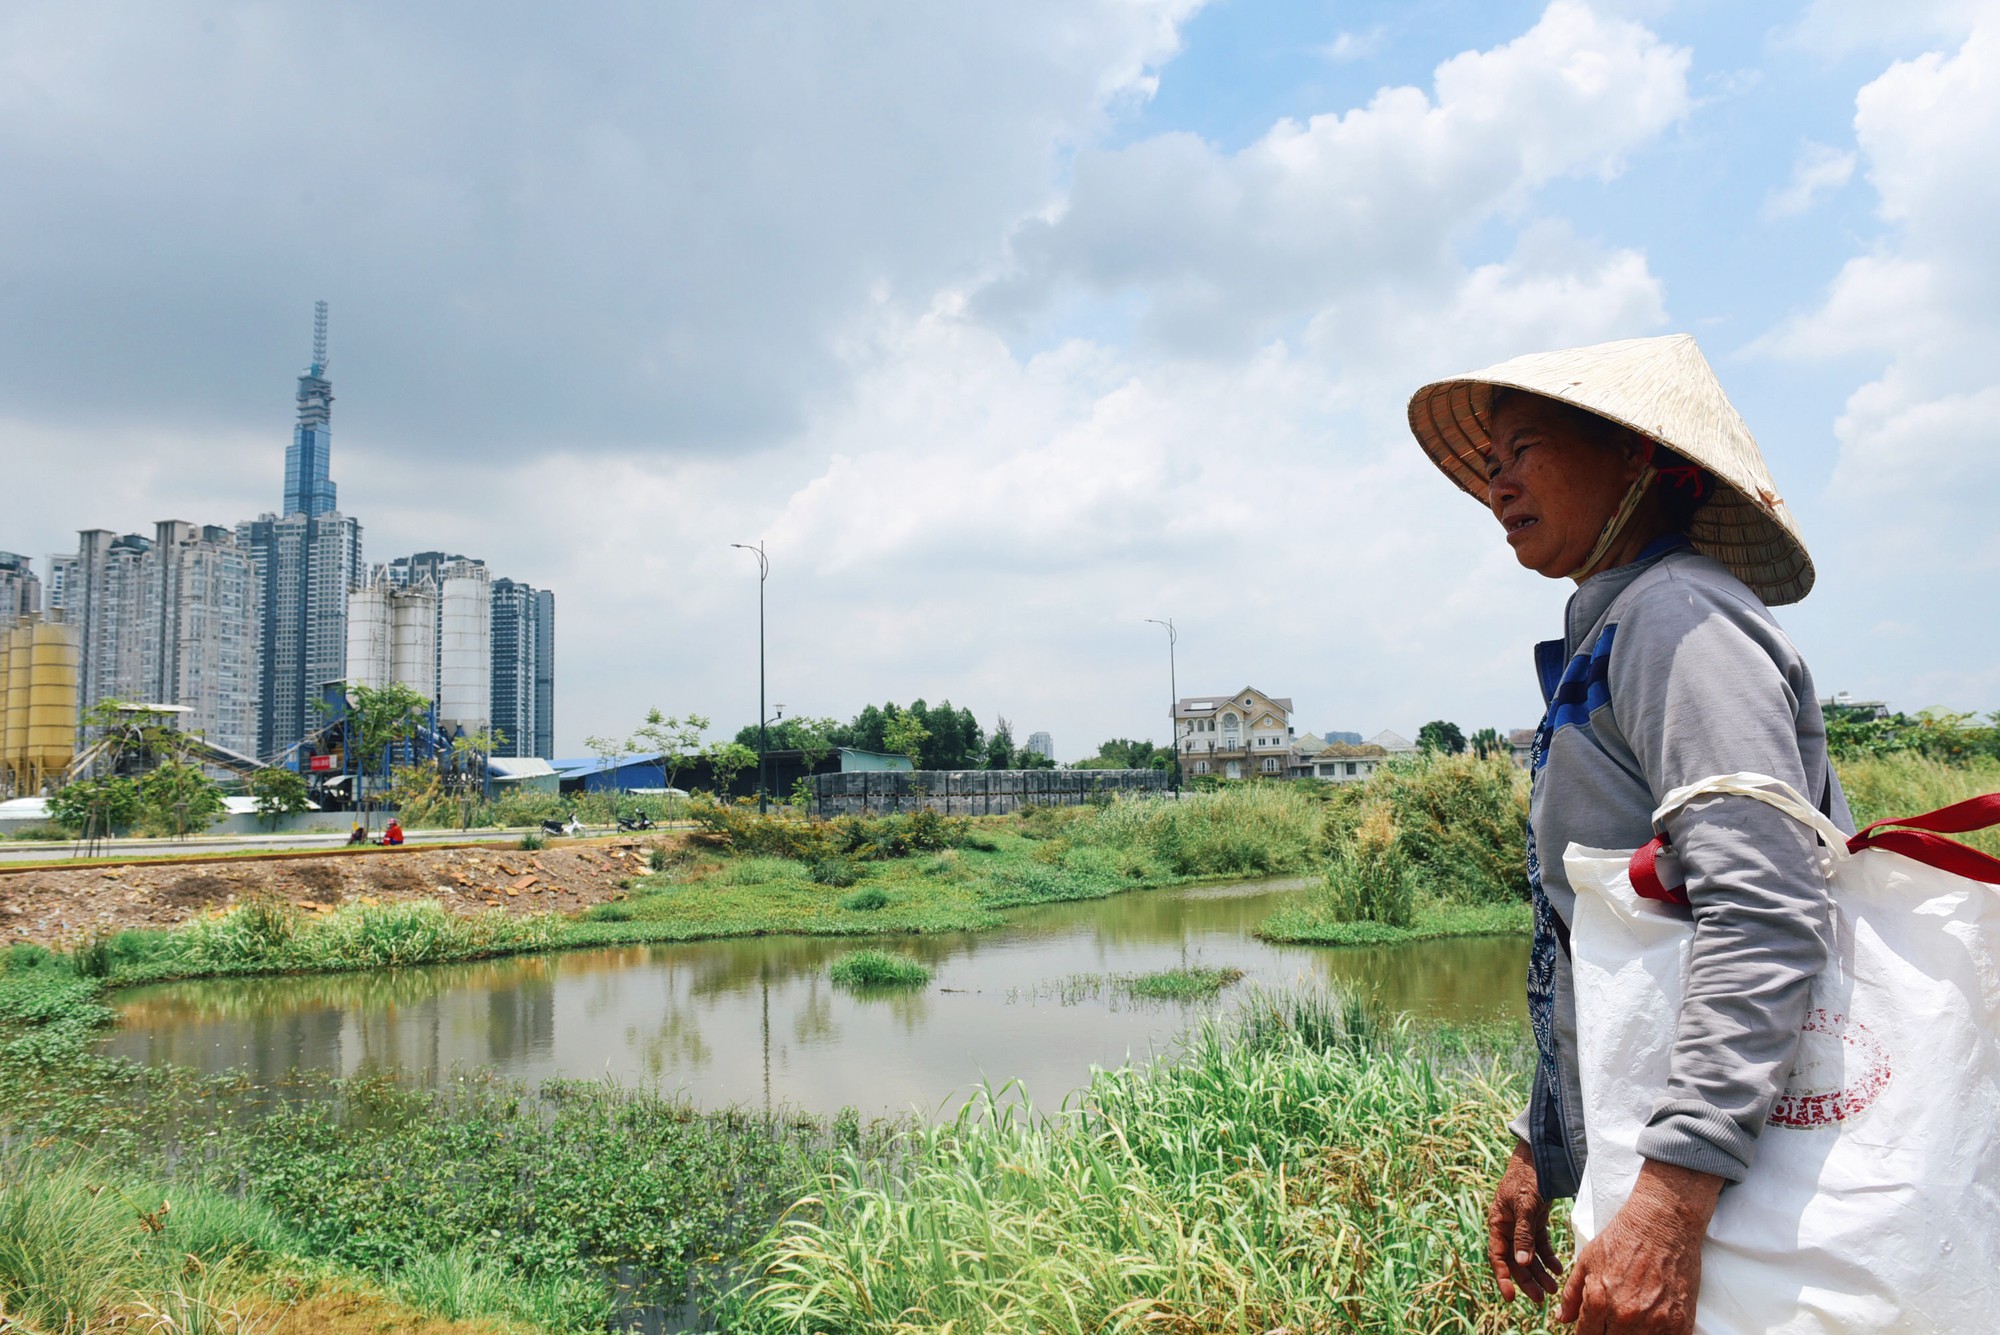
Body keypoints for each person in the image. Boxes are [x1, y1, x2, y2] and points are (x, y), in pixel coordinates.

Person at [1405, 335, 1850, 1333]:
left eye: (1522, 447)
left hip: (1734, 1173)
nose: (1495, 480)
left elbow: (1764, 908)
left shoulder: (1676, 620)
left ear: (1648, 463)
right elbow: (1587, 938)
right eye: (1490, 460)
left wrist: (1666, 1204)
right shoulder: (1605, 636)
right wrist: (1545, 1141)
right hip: (1664, 1147)